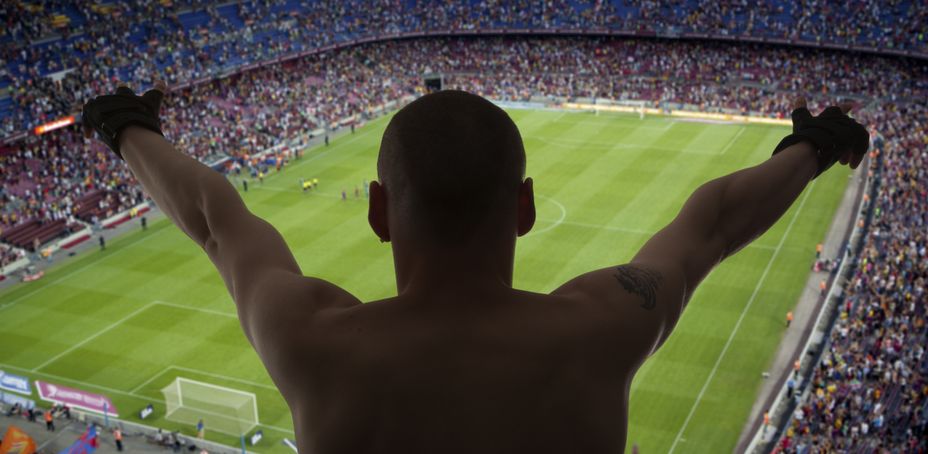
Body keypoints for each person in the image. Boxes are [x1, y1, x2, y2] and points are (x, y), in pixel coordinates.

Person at [82, 86, 868, 453]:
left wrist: (126, 129)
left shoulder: (310, 340)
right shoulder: (602, 326)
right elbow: (715, 220)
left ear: (379, 212)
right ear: (523, 208)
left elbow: (218, 220)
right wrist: (815, 146)